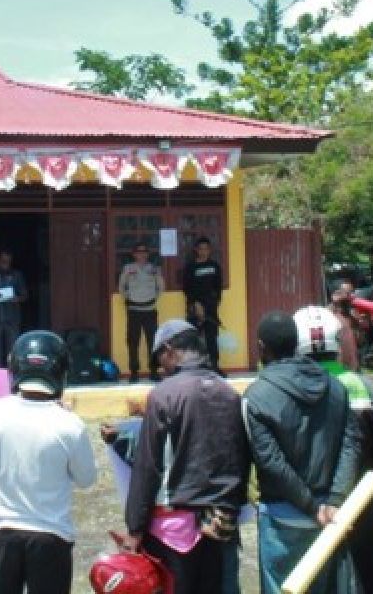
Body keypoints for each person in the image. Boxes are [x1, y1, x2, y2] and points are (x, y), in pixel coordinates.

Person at [0, 331, 97, 594]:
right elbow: (86, 479)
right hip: (51, 536)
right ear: (61, 372)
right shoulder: (70, 424)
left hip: (3, 534)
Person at [121, 319, 249, 594]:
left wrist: (135, 527)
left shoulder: (164, 395)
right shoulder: (229, 393)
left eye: (159, 361)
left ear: (169, 350)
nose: (162, 369)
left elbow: (148, 466)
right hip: (220, 523)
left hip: (173, 529)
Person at [244, 311, 361, 594]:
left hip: (282, 516)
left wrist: (311, 505)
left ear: (261, 348)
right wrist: (333, 500)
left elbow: (271, 462)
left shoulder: (256, 395)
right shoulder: (336, 387)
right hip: (330, 517)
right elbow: (351, 445)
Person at [293, 305, 373, 594]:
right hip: (359, 498)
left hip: (307, 501)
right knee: (367, 569)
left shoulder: (291, 386)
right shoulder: (361, 385)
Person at [118, 242, 166, 382]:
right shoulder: (128, 268)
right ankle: (134, 372)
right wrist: (128, 298)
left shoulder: (154, 269)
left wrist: (154, 298)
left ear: (147, 254)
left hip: (150, 310)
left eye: (144, 252)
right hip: (134, 310)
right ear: (134, 254)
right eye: (138, 252)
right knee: (133, 342)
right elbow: (122, 286)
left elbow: (161, 286)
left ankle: (154, 371)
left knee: (153, 342)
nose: (142, 254)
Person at [182, 237, 225, 375]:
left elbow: (218, 288)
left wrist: (214, 304)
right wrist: (196, 305)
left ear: (210, 250)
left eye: (206, 248)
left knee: (212, 338)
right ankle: (192, 368)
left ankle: (214, 366)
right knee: (193, 339)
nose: (204, 251)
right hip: (195, 307)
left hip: (211, 308)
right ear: (196, 250)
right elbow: (187, 288)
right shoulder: (190, 267)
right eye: (201, 249)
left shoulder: (214, 266)